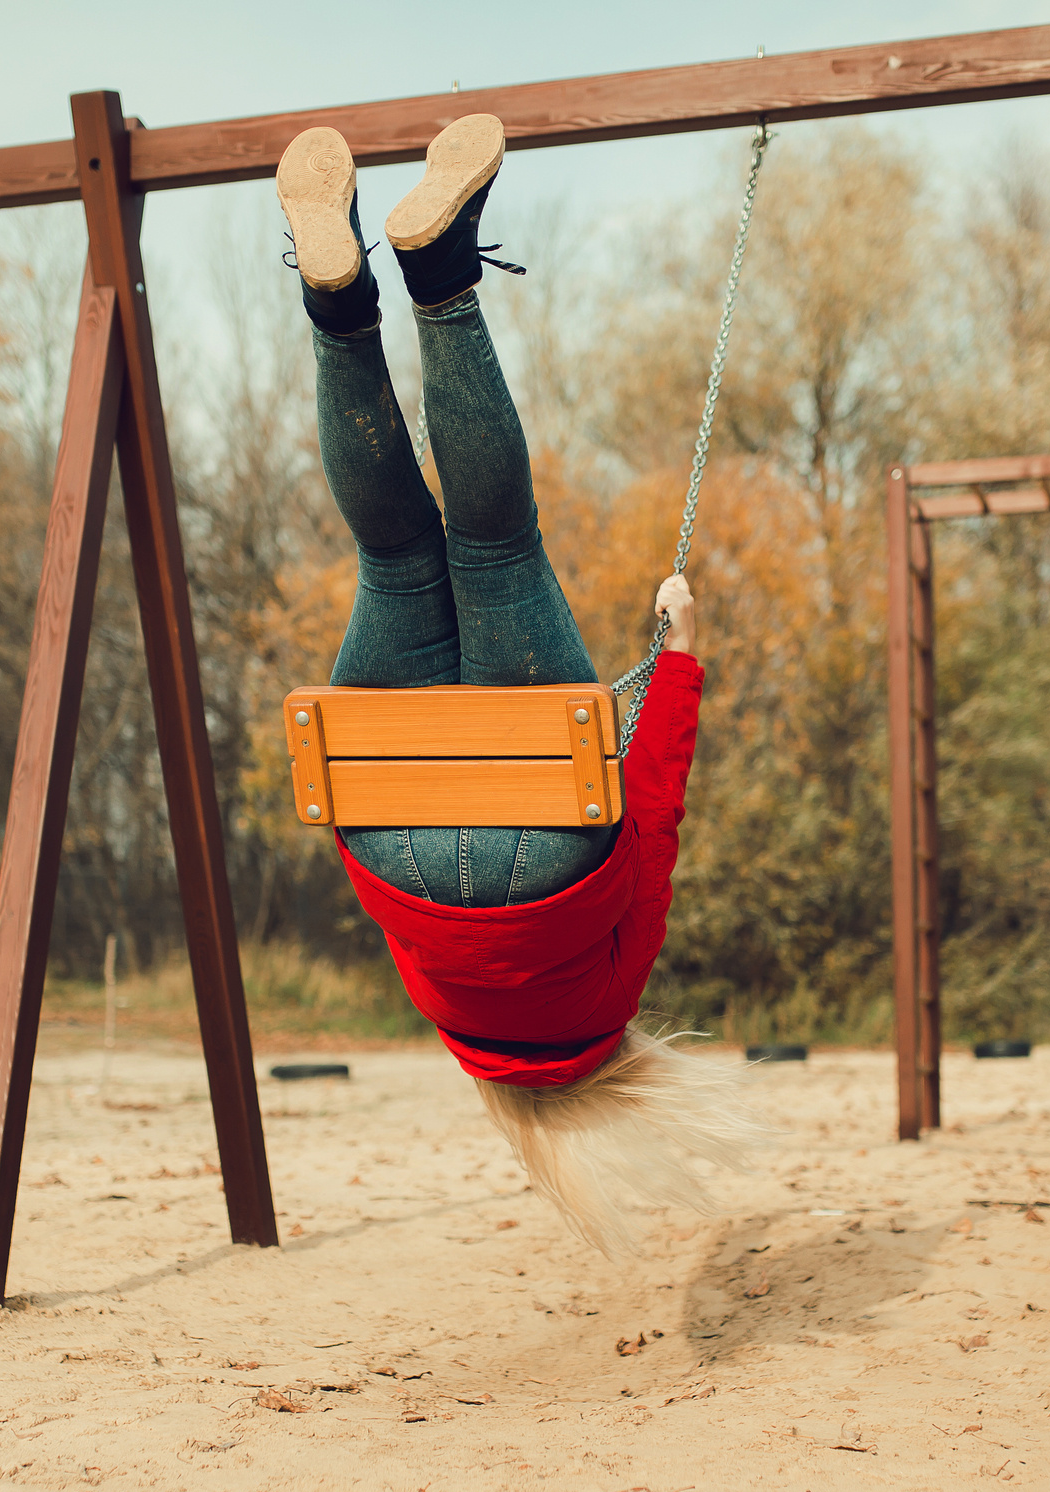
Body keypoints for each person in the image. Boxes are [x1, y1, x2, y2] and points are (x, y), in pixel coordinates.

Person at [276, 115, 762, 1251]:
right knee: (397, 555)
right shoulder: (451, 1024)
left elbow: (653, 817)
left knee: (493, 546)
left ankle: (440, 274)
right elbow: (397, 914)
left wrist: (676, 659)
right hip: (386, 818)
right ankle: (336, 304)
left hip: (554, 835)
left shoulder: (607, 1009)